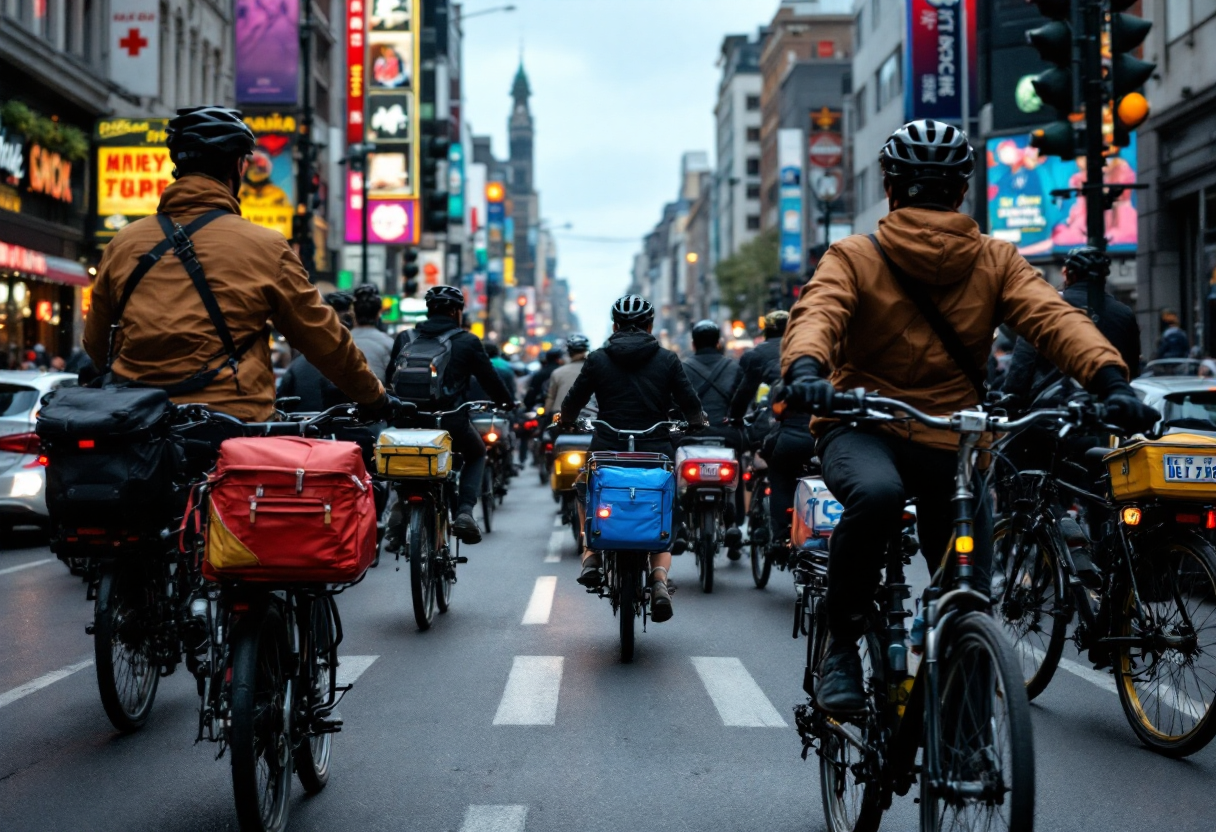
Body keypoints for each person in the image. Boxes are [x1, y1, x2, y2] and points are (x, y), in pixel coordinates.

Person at [780, 119, 1158, 717]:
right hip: (917, 437)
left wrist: (806, 370)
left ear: (889, 187)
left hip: (887, 429)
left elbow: (817, 315)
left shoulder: (862, 253)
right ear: (962, 192)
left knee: (947, 570)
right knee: (946, 553)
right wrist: (1110, 379)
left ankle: (911, 664)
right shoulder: (986, 258)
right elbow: (1057, 321)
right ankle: (843, 648)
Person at [84, 106, 391, 424]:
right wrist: (375, 398)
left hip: (138, 425)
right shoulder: (266, 247)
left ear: (177, 166)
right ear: (238, 167)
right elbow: (325, 342)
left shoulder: (123, 243)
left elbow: (97, 344)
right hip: (231, 429)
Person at [559, 295, 706, 623]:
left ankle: (592, 554)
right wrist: (695, 419)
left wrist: (566, 418)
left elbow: (574, 400)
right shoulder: (667, 359)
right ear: (650, 325)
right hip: (655, 446)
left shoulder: (597, 359)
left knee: (586, 487)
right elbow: (688, 400)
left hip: (607, 444)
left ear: (614, 326)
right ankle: (658, 581)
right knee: (665, 505)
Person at [386, 285, 516, 544]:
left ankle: (401, 509)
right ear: (457, 311)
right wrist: (506, 403)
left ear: (429, 309)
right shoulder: (466, 341)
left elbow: (389, 378)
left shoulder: (405, 337)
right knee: (477, 453)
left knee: (401, 458)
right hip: (448, 420)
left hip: (407, 420)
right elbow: (490, 380)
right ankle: (465, 512)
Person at [1002, 245, 1141, 408]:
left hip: (1052, 411)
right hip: (1107, 410)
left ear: (1067, 274)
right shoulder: (1124, 313)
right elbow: (1131, 367)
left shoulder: (1048, 306)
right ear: (1104, 276)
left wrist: (1013, 397)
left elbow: (1024, 359)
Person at [682, 320, 744, 549]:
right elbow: (743, 402)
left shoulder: (683, 367)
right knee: (735, 473)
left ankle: (679, 520)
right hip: (727, 434)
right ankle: (734, 522)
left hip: (690, 435)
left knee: (675, 471)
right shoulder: (734, 367)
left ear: (693, 343)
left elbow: (673, 403)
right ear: (719, 343)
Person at [277, 291, 354, 413]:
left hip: (305, 426)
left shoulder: (299, 364)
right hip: (340, 426)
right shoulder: (351, 360)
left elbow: (281, 401)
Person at [728, 310, 789, 425]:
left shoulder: (755, 355)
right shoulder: (808, 351)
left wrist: (734, 418)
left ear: (766, 330)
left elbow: (743, 393)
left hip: (772, 423)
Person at [351, 284, 396, 381]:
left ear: (353, 312)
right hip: (378, 393)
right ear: (378, 314)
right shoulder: (389, 343)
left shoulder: (341, 340)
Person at [544, 333, 592, 417]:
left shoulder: (558, 372)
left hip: (560, 417)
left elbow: (551, 398)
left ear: (569, 352)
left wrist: (545, 416)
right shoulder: (595, 370)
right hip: (589, 416)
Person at [524, 347, 565, 412]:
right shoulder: (562, 372)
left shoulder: (540, 373)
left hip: (542, 407)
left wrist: (528, 405)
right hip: (560, 408)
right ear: (558, 359)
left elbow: (532, 392)